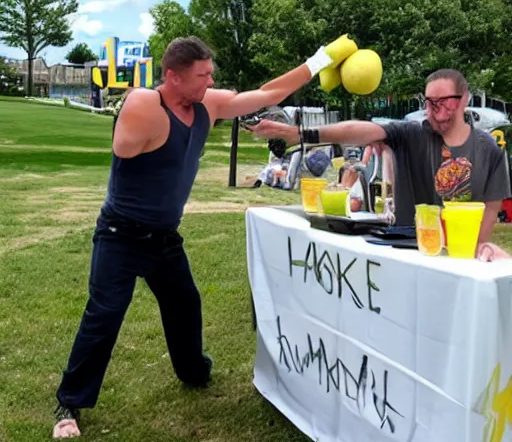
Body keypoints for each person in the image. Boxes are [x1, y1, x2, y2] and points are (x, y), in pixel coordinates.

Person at [52, 34, 348, 438]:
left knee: (185, 304)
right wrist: (147, 119)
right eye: (202, 74)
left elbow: (266, 93)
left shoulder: (208, 103)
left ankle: (194, 373)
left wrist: (320, 59)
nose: (211, 81)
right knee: (104, 314)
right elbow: (124, 148)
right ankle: (70, 402)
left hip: (163, 238)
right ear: (173, 77)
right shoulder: (145, 103)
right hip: (120, 235)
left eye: (211, 74)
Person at [248, 69, 511, 243]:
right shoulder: (411, 134)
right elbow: (357, 129)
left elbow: (491, 208)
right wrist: (301, 133)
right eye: (429, 102)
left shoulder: (488, 149)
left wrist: (479, 249)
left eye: (444, 101)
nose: (435, 109)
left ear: (464, 98)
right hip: (409, 249)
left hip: (459, 256)